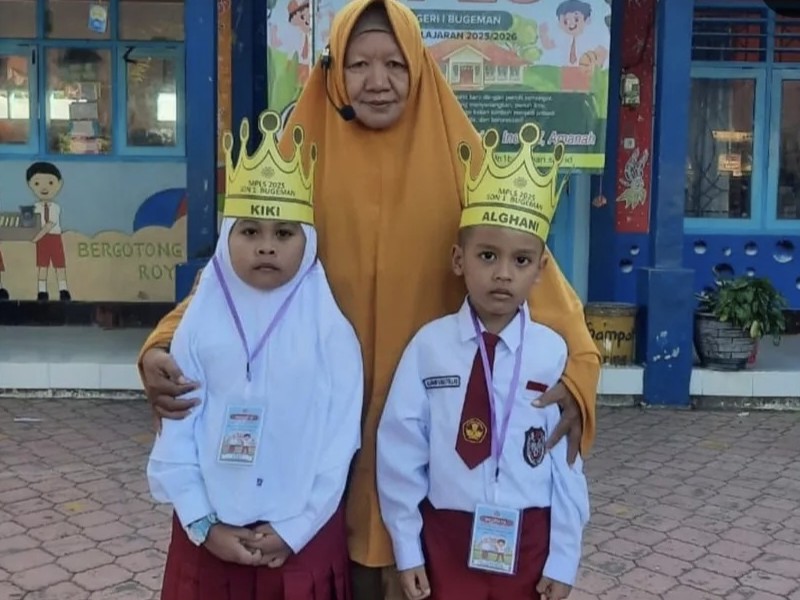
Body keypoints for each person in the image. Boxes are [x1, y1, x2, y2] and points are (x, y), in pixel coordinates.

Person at [137, 1, 600, 598]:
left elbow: (536, 272)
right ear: (334, 71)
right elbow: (234, 271)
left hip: (437, 445)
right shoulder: (299, 152)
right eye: (358, 64)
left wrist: (579, 376)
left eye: (395, 64)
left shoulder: (460, 157)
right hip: (316, 442)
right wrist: (163, 343)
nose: (377, 81)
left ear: (420, 68)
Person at [147, 108, 362, 600]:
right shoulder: (198, 325)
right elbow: (176, 432)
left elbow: (339, 443)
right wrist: (204, 524)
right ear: (227, 237)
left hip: (301, 539)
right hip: (208, 538)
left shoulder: (330, 332)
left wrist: (296, 528)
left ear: (308, 241)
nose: (266, 247)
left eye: (284, 233)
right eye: (249, 232)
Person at [377, 123, 590, 600]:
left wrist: (564, 556)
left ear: (541, 270)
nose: (502, 274)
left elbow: (567, 463)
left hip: (530, 537)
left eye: (521, 261)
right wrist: (407, 547)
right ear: (459, 260)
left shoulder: (553, 352)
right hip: (445, 537)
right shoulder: (429, 347)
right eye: (488, 256)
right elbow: (399, 451)